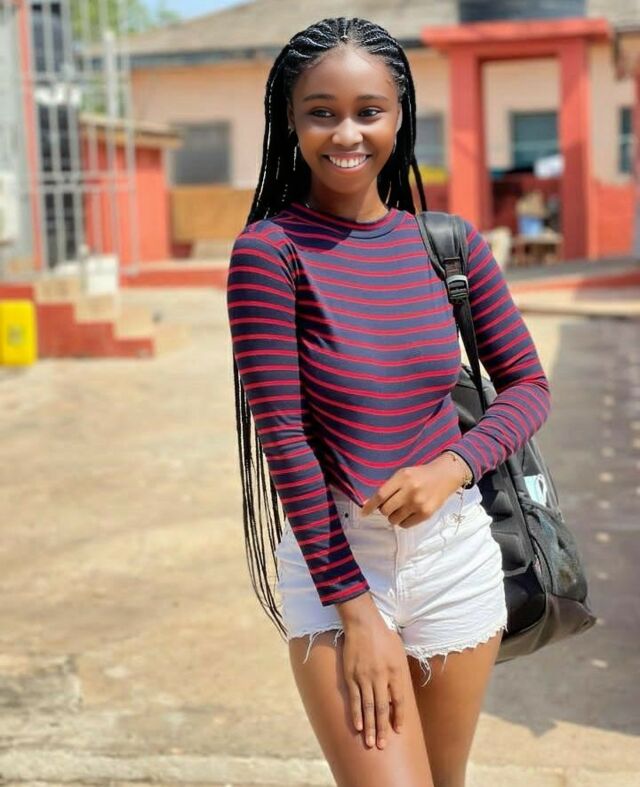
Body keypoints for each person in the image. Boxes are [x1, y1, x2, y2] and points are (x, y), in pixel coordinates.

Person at [226, 16, 551, 787]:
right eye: (322, 112)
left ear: (400, 116)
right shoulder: (270, 254)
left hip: (455, 557)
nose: (347, 133)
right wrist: (357, 612)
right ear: (291, 121)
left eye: (368, 110)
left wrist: (453, 466)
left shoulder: (450, 247)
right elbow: (285, 441)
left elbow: (529, 387)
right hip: (339, 561)